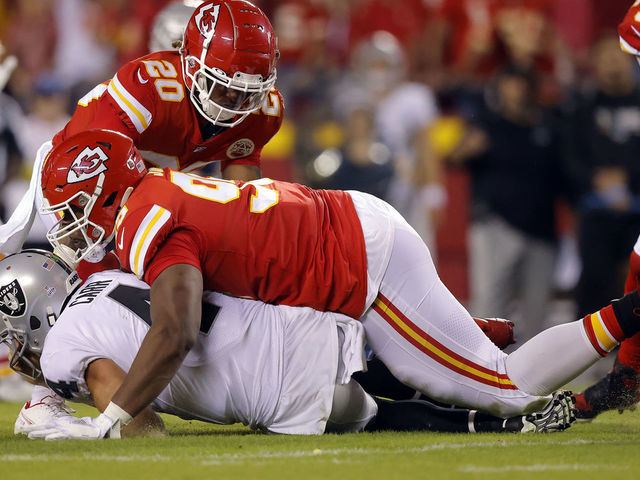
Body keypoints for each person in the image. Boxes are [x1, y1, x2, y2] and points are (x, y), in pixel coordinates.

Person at [37, 128, 640, 440]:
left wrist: (109, 417)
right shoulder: (155, 193)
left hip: (358, 262)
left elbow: (174, 333)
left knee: (506, 389)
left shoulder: (144, 219)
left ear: (102, 191)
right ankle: (460, 335)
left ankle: (632, 316)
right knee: (448, 367)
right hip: (346, 236)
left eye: (71, 208)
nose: (68, 224)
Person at [1, 251, 574, 437]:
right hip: (289, 325)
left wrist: (74, 426)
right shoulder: (112, 276)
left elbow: (139, 422)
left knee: (380, 417)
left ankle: (496, 422)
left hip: (269, 387)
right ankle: (473, 344)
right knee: (396, 370)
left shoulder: (60, 350)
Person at [0, 0, 283, 257]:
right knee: (91, 274)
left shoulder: (262, 112)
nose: (236, 104)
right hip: (80, 178)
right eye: (223, 86)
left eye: (249, 93)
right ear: (192, 64)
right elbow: (101, 176)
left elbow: (241, 200)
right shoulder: (147, 87)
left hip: (148, 188)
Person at [448, 64, 566, 345]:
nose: (515, 91)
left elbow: (566, 177)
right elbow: (452, 158)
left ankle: (534, 380)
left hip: (542, 229)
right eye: (509, 85)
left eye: (521, 84)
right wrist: (465, 147)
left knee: (537, 311)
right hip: (496, 225)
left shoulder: (550, 126)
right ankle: (482, 374)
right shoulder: (486, 123)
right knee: (490, 306)